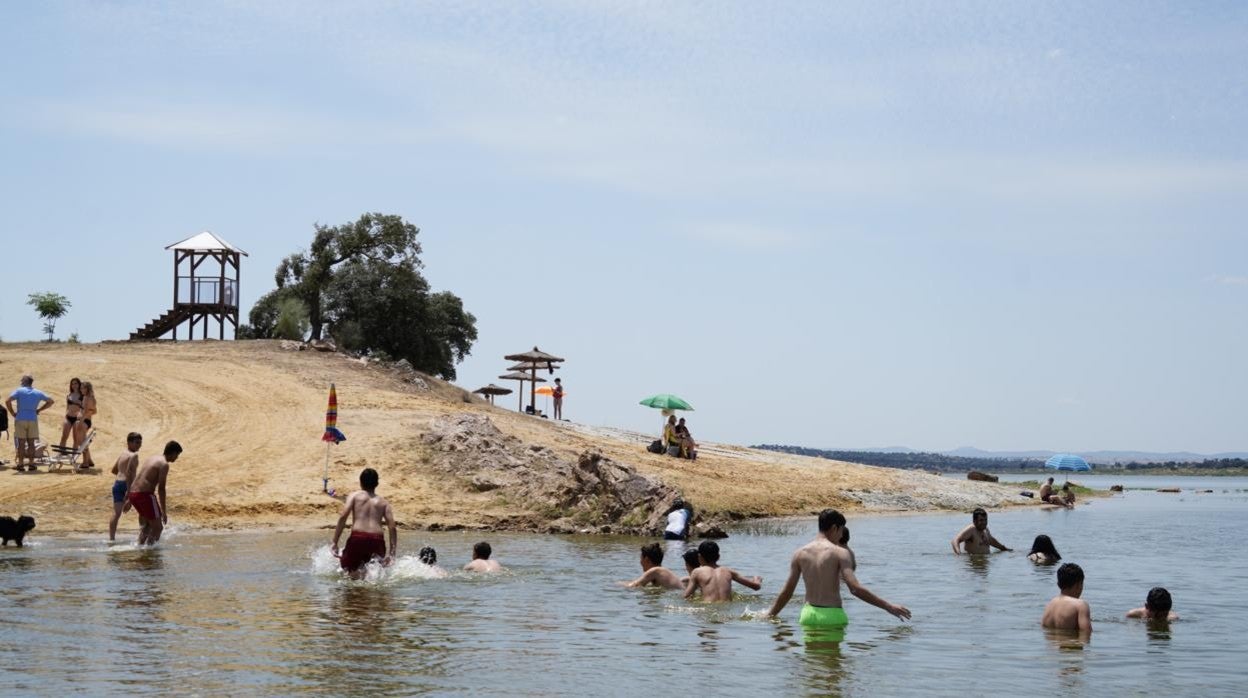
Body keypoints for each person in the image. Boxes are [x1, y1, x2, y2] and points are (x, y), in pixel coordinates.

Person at [764, 510, 910, 633]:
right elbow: (855, 589)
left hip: (807, 615)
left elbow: (787, 592)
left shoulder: (800, 553)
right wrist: (888, 606)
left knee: (812, 665)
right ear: (834, 528)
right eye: (841, 531)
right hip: (832, 617)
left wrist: (770, 614)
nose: (841, 536)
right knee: (833, 666)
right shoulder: (840, 553)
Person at [331, 467, 398, 579]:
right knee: (372, 575)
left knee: (349, 572)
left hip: (358, 538)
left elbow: (343, 516)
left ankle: (355, 594)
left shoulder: (354, 496)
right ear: (377, 483)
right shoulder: (384, 502)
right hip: (377, 540)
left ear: (360, 482)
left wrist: (335, 542)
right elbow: (392, 528)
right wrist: (392, 554)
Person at [123, 440, 183, 545]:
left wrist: (130, 499)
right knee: (158, 528)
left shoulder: (152, 458)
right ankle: (150, 551)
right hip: (145, 495)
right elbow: (161, 489)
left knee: (147, 526)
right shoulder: (164, 464)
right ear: (173, 453)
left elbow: (139, 478)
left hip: (134, 494)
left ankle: (140, 548)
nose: (177, 458)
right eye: (177, 455)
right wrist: (164, 511)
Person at [683, 541, 762, 602]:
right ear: (718, 557)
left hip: (707, 607)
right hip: (727, 610)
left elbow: (686, 596)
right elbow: (756, 587)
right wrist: (757, 579)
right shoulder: (729, 571)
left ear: (699, 557)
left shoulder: (697, 572)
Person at [6, 375, 54, 471]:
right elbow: (51, 401)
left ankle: (20, 464)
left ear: (24, 381)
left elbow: (7, 401)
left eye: (22, 380)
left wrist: (12, 413)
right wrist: (39, 409)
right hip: (32, 418)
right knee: (31, 443)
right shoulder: (37, 392)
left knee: (21, 442)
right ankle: (31, 464)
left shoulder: (19, 390)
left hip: (21, 418)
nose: (21, 382)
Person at [108, 432, 143, 542]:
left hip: (117, 484)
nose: (139, 445)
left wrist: (121, 474)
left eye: (140, 443)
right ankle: (143, 536)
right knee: (143, 511)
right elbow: (129, 474)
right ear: (129, 442)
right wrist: (129, 493)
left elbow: (114, 470)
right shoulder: (134, 456)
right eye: (137, 443)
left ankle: (111, 539)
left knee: (116, 514)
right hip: (129, 486)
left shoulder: (123, 454)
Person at [1041, 562, 1092, 634]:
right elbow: (1086, 633)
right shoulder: (1080, 605)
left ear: (1058, 584)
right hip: (1070, 644)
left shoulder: (1050, 604)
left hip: (1052, 644)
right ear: (1079, 584)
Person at [76, 380, 98, 469]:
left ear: (87, 389)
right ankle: (89, 460)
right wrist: (88, 413)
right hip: (87, 421)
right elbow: (95, 411)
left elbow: (85, 411)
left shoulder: (86, 398)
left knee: (82, 443)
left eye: (83, 388)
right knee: (83, 442)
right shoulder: (92, 398)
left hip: (83, 422)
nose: (81, 389)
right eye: (81, 388)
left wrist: (81, 421)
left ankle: (85, 462)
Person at [58, 377, 83, 450]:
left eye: (76, 383)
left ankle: (73, 456)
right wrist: (65, 416)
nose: (74, 385)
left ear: (79, 384)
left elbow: (83, 408)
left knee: (75, 438)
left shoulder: (82, 396)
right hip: (68, 417)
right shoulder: (69, 395)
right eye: (72, 384)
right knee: (64, 436)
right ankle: (61, 453)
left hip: (77, 419)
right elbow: (67, 407)